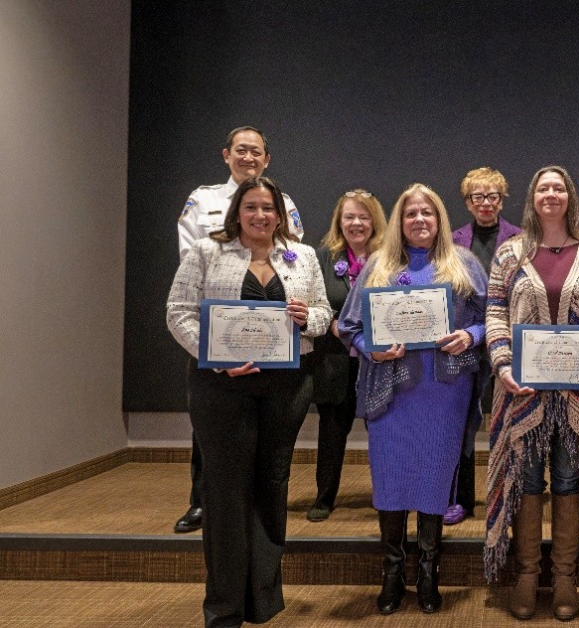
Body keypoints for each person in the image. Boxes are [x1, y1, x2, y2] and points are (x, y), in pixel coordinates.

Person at [167, 176, 331, 628]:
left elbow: (322, 314)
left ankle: (262, 599)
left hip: (286, 388)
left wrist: (307, 317)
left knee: (272, 484)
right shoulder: (206, 252)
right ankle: (224, 607)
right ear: (236, 210)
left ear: (280, 214)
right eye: (251, 206)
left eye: (268, 208)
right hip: (221, 387)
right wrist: (214, 357)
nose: (260, 215)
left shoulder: (303, 256)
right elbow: (178, 311)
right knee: (224, 490)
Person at [337, 183, 488, 615]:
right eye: (410, 214)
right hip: (392, 393)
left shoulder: (463, 264)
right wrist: (371, 347)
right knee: (391, 479)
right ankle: (391, 572)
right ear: (399, 222)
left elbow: (492, 315)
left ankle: (427, 571)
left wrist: (471, 335)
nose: (419, 220)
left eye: (427, 212)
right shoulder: (378, 265)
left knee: (435, 479)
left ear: (439, 218)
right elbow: (349, 325)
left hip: (444, 392)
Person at [484, 166, 579, 621]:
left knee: (567, 477)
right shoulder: (509, 253)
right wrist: (502, 363)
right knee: (524, 478)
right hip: (521, 391)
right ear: (533, 196)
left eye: (559, 187)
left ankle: (563, 575)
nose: (551, 194)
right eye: (543, 187)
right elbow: (496, 311)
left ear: (570, 197)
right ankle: (526, 573)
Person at [173, 126, 305, 534]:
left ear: (267, 159)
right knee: (213, 429)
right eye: (241, 151)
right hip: (220, 324)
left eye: (257, 152)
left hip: (268, 328)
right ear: (226, 154)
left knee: (265, 442)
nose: (249, 158)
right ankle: (202, 500)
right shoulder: (204, 199)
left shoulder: (283, 202)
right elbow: (191, 255)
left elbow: (290, 257)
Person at [305, 190, 386, 522]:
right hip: (335, 361)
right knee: (332, 432)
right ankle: (324, 497)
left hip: (378, 362)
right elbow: (313, 304)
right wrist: (335, 326)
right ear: (339, 220)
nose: (356, 223)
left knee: (381, 432)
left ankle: (386, 493)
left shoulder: (388, 258)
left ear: (374, 221)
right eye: (349, 216)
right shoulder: (322, 257)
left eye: (363, 217)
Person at [447, 167, 521, 526]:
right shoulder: (451, 240)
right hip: (467, 343)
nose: (486, 203)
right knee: (462, 423)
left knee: (509, 424)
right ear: (467, 202)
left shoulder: (522, 239)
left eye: (493, 196)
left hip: (510, 341)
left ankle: (508, 496)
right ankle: (461, 499)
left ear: (502, 199)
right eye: (478, 197)